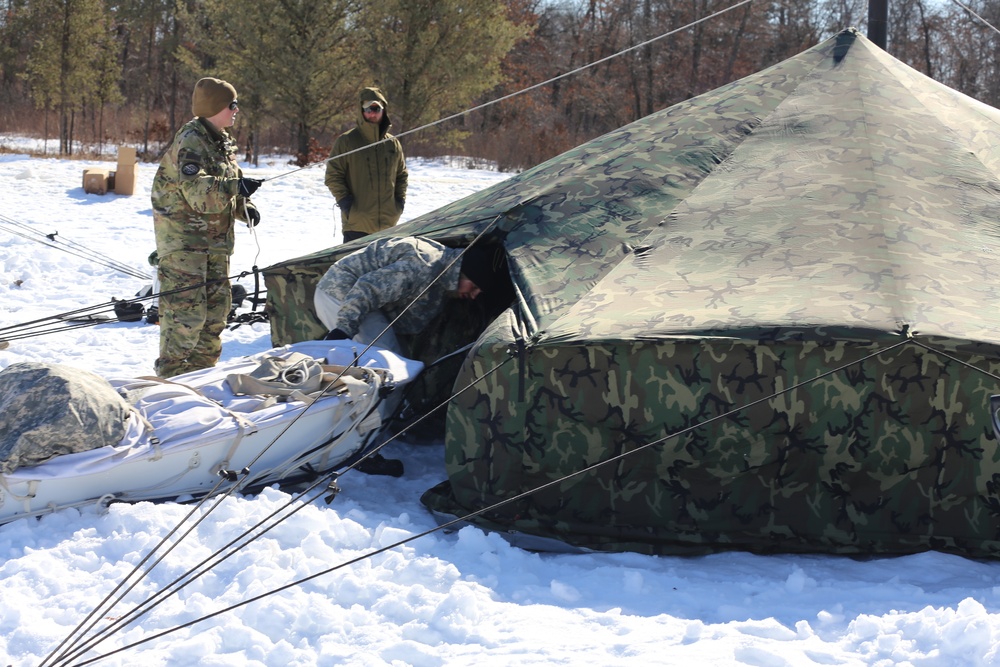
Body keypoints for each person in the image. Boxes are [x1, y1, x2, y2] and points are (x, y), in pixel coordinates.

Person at [150, 76, 263, 378]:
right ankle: (170, 382)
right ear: (217, 107)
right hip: (186, 248)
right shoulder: (192, 140)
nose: (237, 110)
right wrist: (234, 187)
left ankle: (199, 380)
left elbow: (228, 186)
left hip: (214, 246)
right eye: (233, 105)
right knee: (185, 319)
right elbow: (198, 191)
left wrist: (244, 208)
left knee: (214, 317)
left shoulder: (220, 140)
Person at [313, 236, 511, 356]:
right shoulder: (424, 266)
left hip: (361, 302)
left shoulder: (443, 277)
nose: (474, 295)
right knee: (385, 361)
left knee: (399, 361)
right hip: (341, 293)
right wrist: (342, 330)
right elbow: (368, 288)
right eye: (474, 286)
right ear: (463, 272)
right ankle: (378, 425)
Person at [324, 87, 408, 244]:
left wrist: (398, 204)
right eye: (368, 108)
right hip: (357, 225)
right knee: (354, 269)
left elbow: (401, 175)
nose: (373, 113)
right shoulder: (347, 141)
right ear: (361, 111)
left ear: (383, 110)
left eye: (377, 108)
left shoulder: (392, 143)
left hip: (388, 225)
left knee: (385, 269)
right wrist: (347, 205)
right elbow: (333, 176)